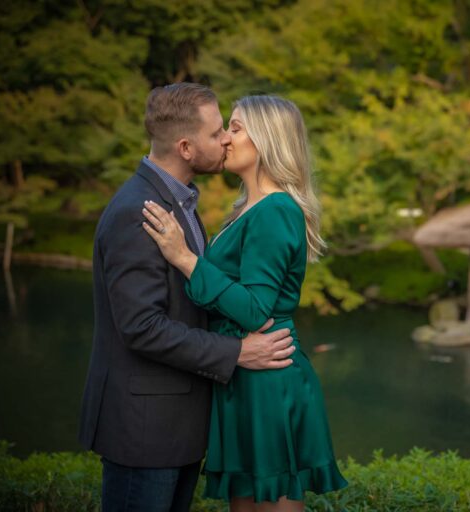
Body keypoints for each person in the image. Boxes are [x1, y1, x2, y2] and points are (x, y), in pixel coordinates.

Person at [78, 83, 296, 512]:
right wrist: (237, 352)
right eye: (217, 132)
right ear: (185, 147)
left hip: (176, 425)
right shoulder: (138, 212)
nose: (226, 139)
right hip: (145, 429)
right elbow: (141, 327)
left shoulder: (181, 204)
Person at [142, 94, 348, 511]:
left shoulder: (275, 210)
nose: (224, 139)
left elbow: (255, 310)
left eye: (234, 128)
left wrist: (185, 259)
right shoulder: (246, 209)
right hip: (243, 375)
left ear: (266, 139)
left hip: (268, 380)